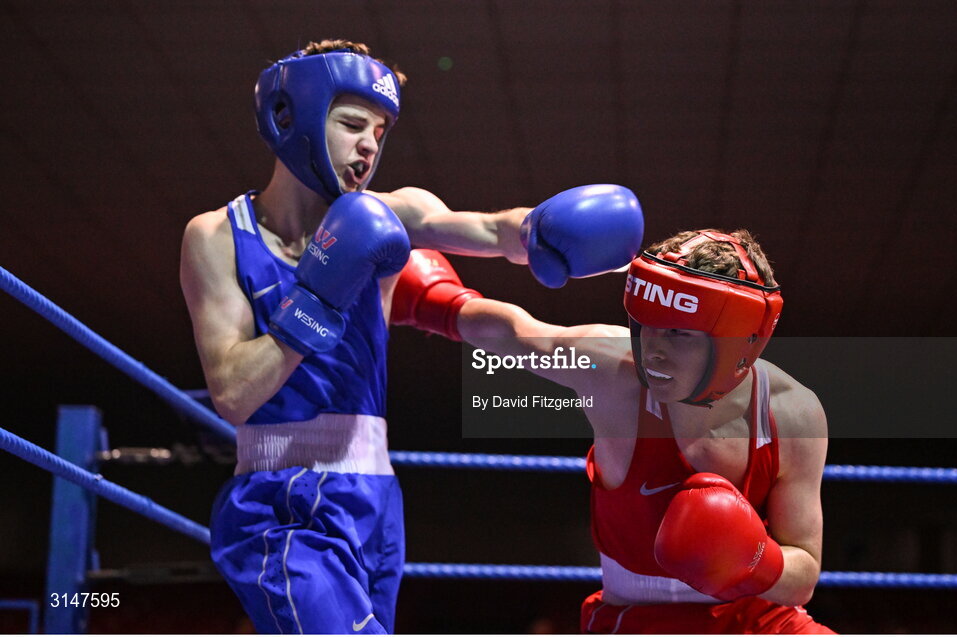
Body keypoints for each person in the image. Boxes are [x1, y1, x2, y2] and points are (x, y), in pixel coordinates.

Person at [178, 39, 644, 634]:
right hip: (279, 500)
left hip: (375, 498)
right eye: (351, 124)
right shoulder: (217, 236)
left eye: (380, 130)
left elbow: (486, 227)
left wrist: (539, 233)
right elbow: (234, 394)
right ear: (289, 117)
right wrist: (319, 297)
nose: (369, 145)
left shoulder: (389, 215)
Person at [391, 230, 834, 634]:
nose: (653, 351)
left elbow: (803, 578)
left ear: (741, 342)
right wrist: (431, 298)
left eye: (678, 333)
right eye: (645, 326)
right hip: (635, 622)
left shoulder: (791, 414)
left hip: (759, 619)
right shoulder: (610, 370)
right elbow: (517, 336)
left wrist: (754, 561)